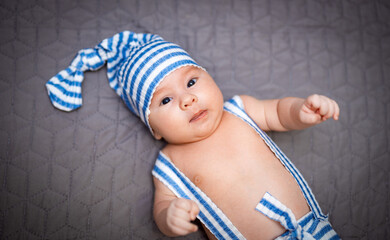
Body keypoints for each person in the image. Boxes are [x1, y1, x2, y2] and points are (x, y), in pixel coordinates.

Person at [46, 31, 340, 240]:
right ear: (154, 129)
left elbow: (278, 113)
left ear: (209, 77)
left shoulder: (241, 110)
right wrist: (169, 217)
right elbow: (161, 208)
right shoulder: (169, 164)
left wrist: (302, 110)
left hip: (312, 230)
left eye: (191, 81)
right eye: (164, 101)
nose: (187, 100)